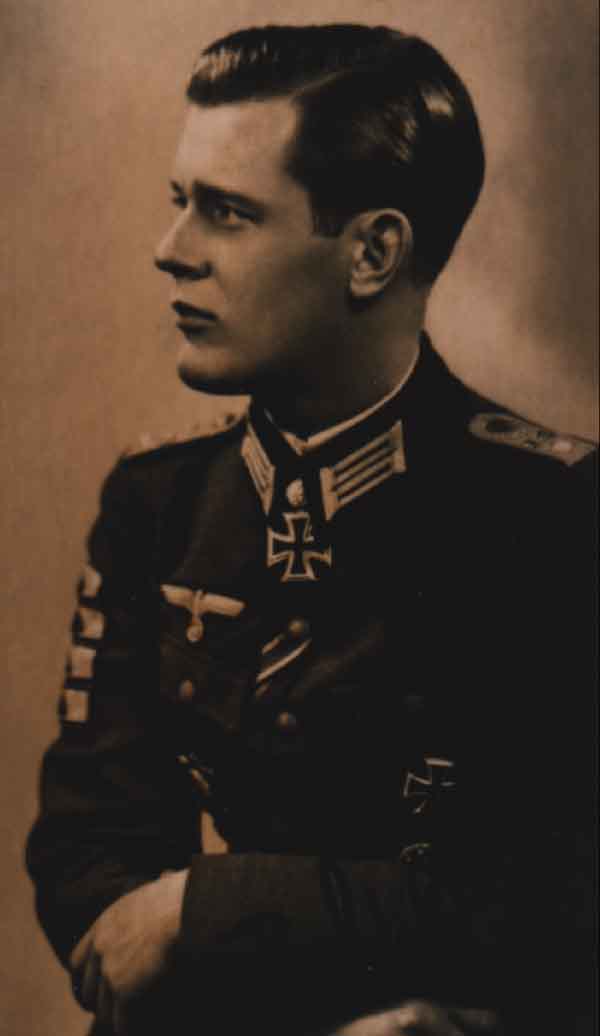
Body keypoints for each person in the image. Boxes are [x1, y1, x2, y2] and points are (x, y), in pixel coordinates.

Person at [26, 24, 596, 1036]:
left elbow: (557, 899)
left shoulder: (551, 517)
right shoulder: (157, 505)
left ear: (373, 253)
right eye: (178, 201)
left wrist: (208, 910)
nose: (170, 250)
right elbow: (87, 852)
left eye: (226, 213)